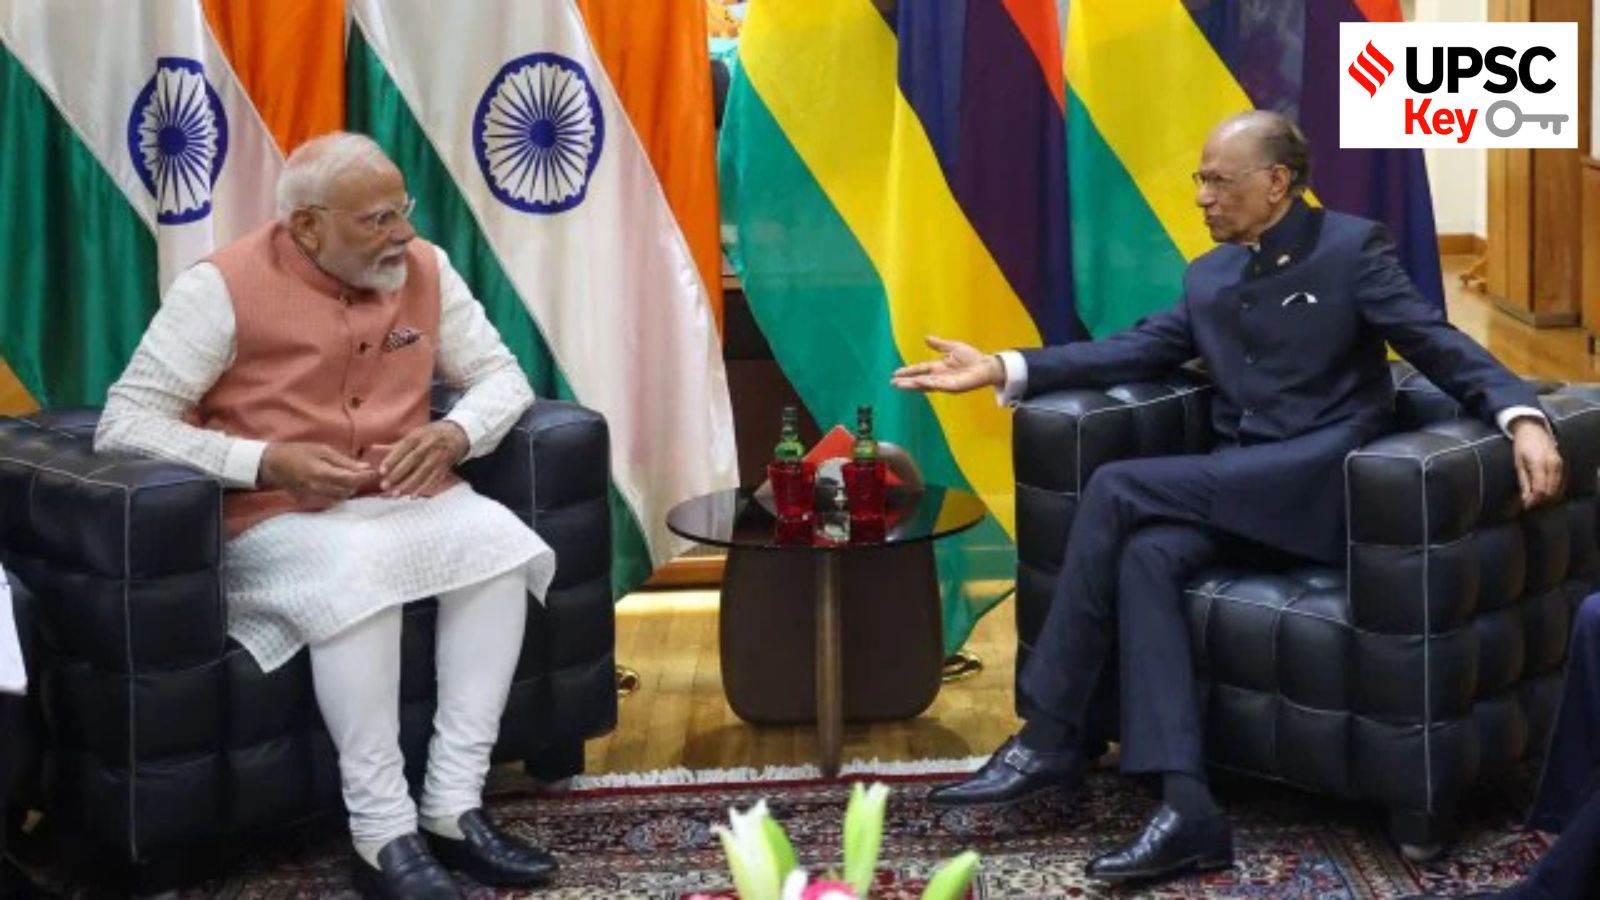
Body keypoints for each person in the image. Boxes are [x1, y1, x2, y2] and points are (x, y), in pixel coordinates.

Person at [891, 110, 1565, 886]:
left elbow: (1436, 343)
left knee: (1117, 485)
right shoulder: (1209, 274)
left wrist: (1521, 416)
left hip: (1323, 486)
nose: (1202, 197)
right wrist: (1004, 367)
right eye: (1200, 179)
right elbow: (1137, 347)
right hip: (1242, 489)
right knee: (1148, 553)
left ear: (1277, 183)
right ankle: (1188, 810)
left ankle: (1050, 735)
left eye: (1218, 180)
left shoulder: (1351, 249)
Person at [97, 132, 557, 899]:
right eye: (378, 220)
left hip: (404, 499)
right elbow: (127, 422)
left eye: (402, 211)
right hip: (275, 516)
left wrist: (456, 433)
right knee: (356, 574)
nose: (402, 233)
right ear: (308, 226)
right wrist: (262, 460)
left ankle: (453, 806)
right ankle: (382, 834)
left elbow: (501, 378)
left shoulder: (426, 269)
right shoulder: (220, 288)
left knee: (502, 546)